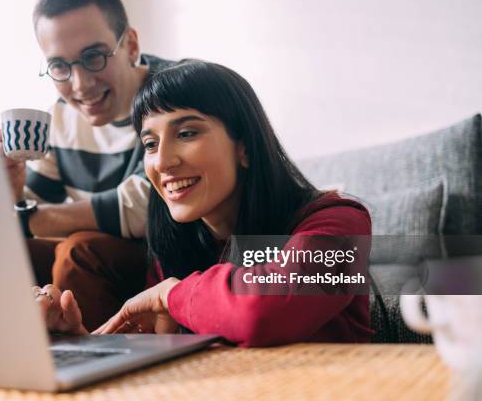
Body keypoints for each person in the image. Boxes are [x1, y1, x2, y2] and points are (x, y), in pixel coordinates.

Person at [33, 60, 374, 347]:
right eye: (150, 144)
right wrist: (84, 345)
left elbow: (259, 313)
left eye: (186, 134)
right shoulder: (177, 242)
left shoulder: (341, 223)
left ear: (245, 146)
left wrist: (171, 295)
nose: (163, 162)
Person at [0, 0, 173, 331]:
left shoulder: (171, 91)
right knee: (13, 254)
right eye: (60, 66)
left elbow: (140, 209)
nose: (80, 85)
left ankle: (95, 360)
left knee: (79, 252)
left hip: (167, 254)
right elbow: (32, 207)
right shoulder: (59, 119)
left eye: (93, 56)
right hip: (107, 263)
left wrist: (26, 219)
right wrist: (14, 191)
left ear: (131, 46)